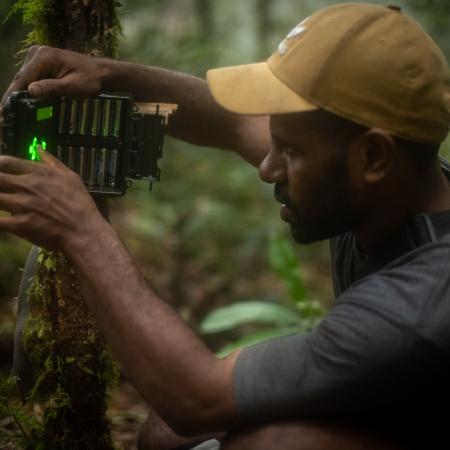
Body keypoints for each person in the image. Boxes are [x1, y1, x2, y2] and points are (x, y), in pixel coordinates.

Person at [1, 3, 450, 449]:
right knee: (165, 436)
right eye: (275, 142)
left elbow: (198, 397)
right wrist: (110, 75)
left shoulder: (422, 299)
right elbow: (233, 123)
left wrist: (81, 230)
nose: (268, 168)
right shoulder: (394, 186)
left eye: (290, 152)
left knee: (273, 446)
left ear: (373, 158)